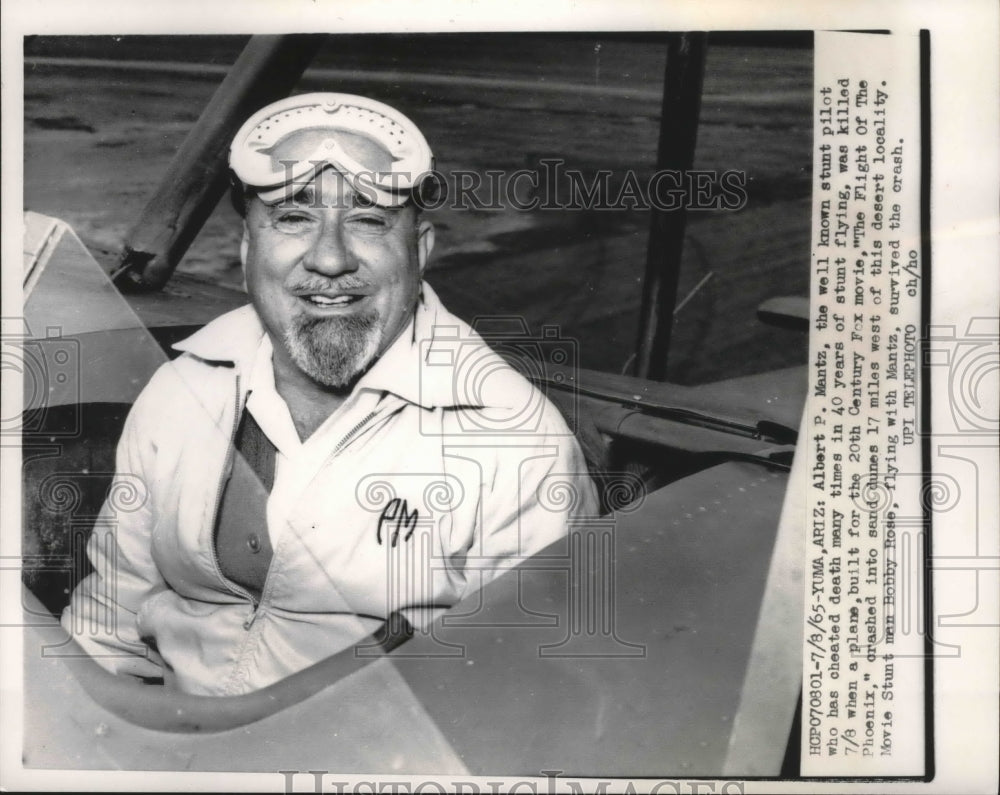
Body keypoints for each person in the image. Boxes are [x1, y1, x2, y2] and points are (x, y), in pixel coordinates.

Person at [61, 92, 597, 696]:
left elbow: (524, 692)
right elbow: (106, 628)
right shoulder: (181, 389)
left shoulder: (516, 439)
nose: (331, 258)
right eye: (293, 216)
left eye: (369, 219)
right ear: (247, 250)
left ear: (418, 252)